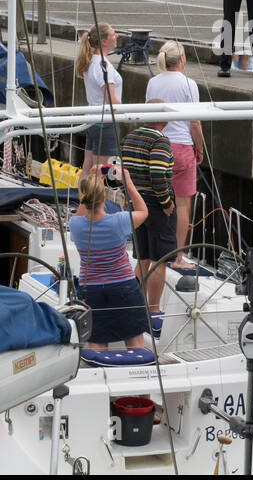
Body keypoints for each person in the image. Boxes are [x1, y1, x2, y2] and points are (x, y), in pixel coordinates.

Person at [69, 167, 149, 351]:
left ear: (83, 198)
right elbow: (143, 211)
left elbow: (82, 210)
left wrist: (93, 180)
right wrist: (127, 183)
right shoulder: (119, 221)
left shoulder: (76, 225)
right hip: (124, 287)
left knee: (96, 341)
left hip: (91, 290)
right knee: (134, 340)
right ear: (104, 198)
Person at [145, 42, 205, 271]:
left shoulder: (153, 82)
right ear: (182, 58)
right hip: (180, 148)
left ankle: (152, 253)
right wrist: (198, 149)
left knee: (155, 200)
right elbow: (195, 122)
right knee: (181, 205)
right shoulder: (189, 84)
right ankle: (177, 256)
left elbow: (148, 115)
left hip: (156, 145)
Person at [118, 106, 176, 325]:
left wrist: (130, 196)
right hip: (156, 205)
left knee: (142, 259)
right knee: (160, 259)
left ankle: (133, 307)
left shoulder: (128, 138)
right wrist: (166, 203)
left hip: (135, 203)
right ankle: (154, 311)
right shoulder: (160, 141)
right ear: (164, 120)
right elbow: (158, 175)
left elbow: (122, 172)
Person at [76, 23, 122, 173]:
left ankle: (82, 196)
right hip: (105, 122)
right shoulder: (103, 65)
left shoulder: (90, 62)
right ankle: (93, 197)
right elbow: (110, 100)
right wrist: (126, 111)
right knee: (100, 172)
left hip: (92, 121)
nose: (117, 36)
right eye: (113, 33)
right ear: (103, 41)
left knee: (88, 167)